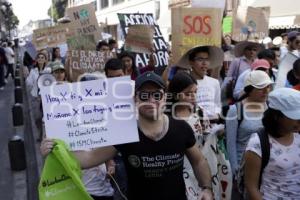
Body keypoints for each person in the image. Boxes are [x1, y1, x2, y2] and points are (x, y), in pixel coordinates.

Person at [41, 71, 213, 200]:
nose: (151, 100)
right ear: (135, 98)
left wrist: (206, 188)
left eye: (156, 95)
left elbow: (198, 161)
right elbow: (88, 158)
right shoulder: (125, 133)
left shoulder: (181, 129)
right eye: (144, 95)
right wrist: (56, 147)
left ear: (165, 97)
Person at [244, 88, 300, 200]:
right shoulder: (258, 142)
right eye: (296, 117)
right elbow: (251, 187)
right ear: (277, 116)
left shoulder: (298, 134)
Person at [226, 70, 273, 176]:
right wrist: (235, 170)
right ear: (249, 90)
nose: (266, 91)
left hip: (267, 166)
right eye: (261, 88)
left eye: (268, 87)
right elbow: (231, 143)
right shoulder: (236, 110)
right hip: (243, 166)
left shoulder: (271, 107)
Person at [178, 46, 223, 121]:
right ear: (191, 62)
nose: (204, 63)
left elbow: (217, 104)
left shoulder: (214, 82)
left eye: (207, 59)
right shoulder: (184, 83)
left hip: (213, 126)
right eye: (200, 59)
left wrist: (217, 114)